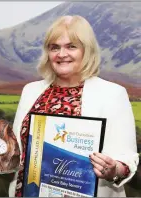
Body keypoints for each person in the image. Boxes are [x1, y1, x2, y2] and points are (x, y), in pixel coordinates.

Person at [9, 15, 139, 197]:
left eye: (71, 46)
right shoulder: (30, 91)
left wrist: (114, 169)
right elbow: (16, 150)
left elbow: (127, 159)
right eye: (55, 47)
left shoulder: (113, 94)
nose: (62, 54)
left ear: (87, 51)